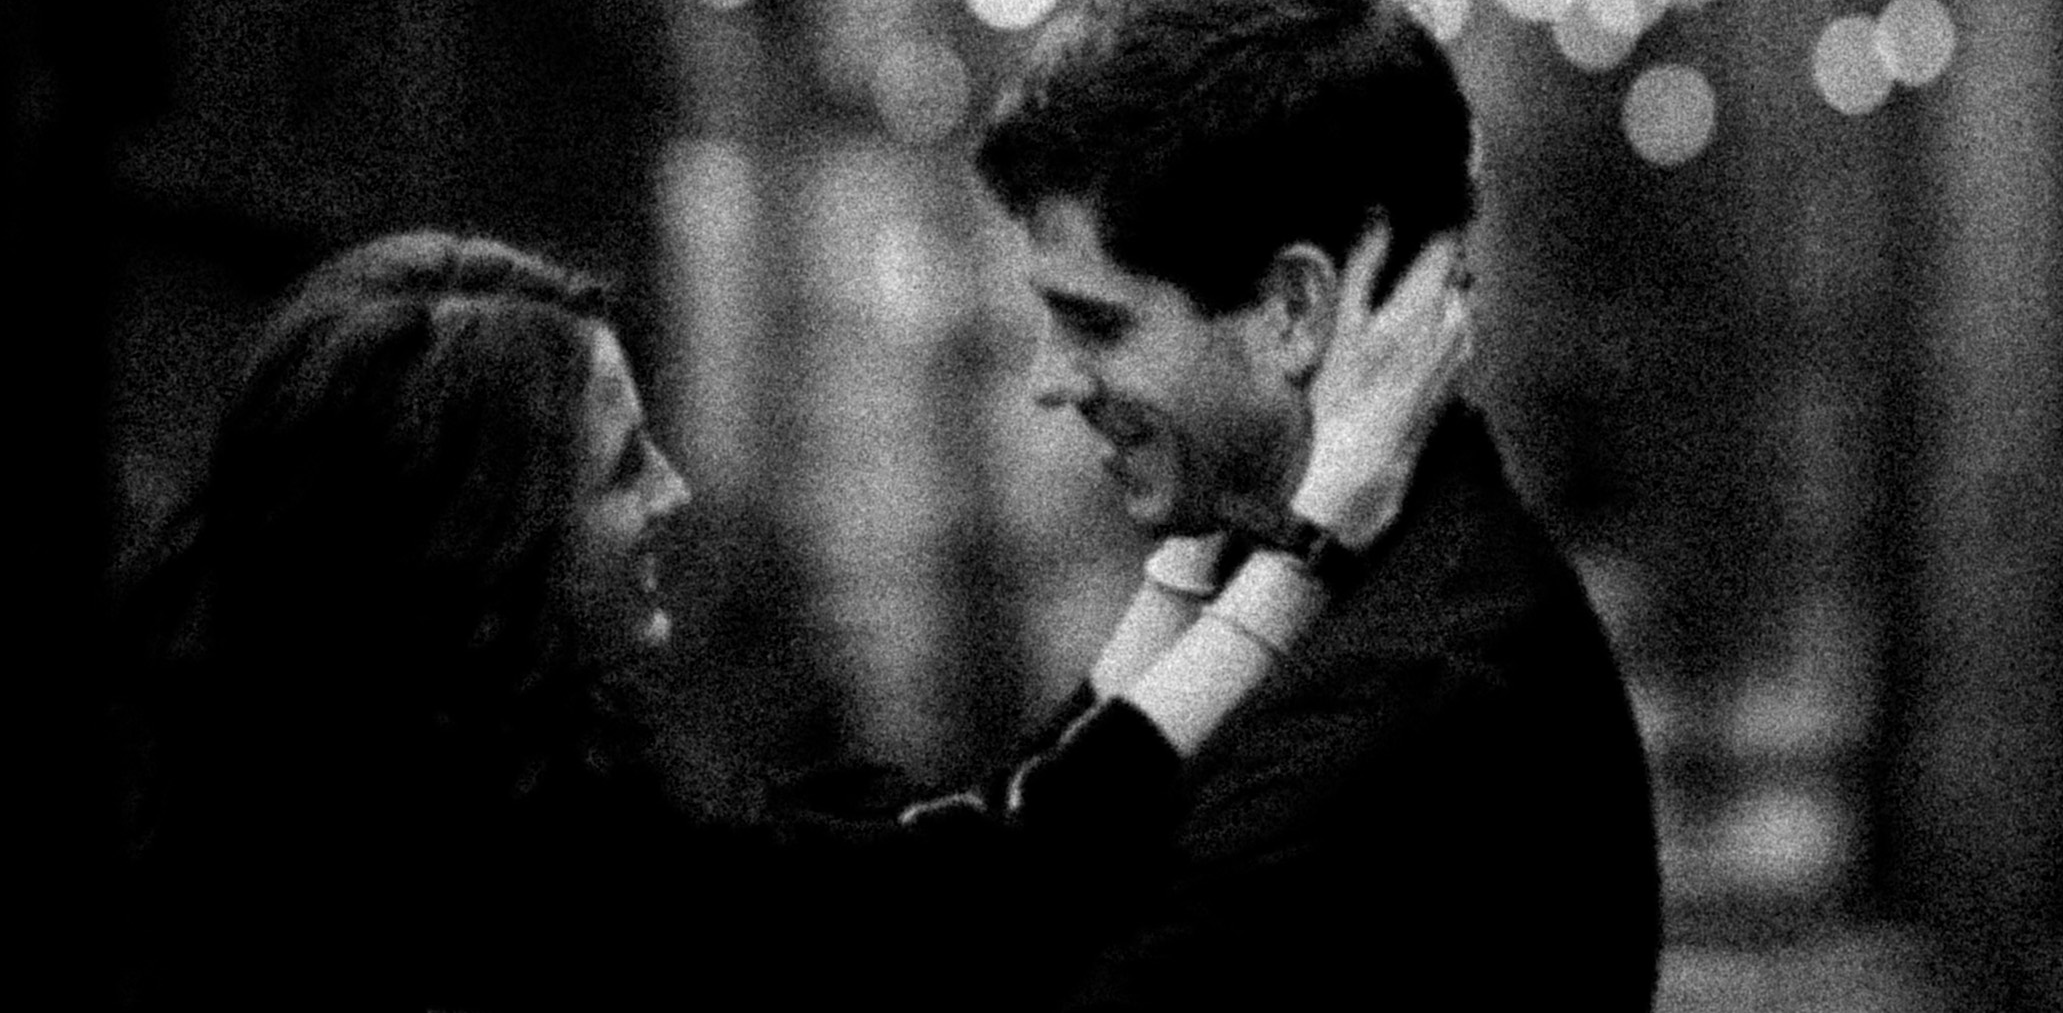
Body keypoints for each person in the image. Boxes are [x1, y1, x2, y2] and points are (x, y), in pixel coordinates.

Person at [119, 221, 1466, 1010]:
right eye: (618, 467)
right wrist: (1313, 533)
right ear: (486, 545)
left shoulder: (390, 799)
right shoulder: (482, 884)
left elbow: (969, 838)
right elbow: (978, 884)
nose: (675, 490)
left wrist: (1196, 549)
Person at [969, 0, 1662, 1011]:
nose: (1047, 382)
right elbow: (1008, 857)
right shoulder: (1310, 586)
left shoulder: (1416, 689)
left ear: (1293, 309)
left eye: (1096, 323)